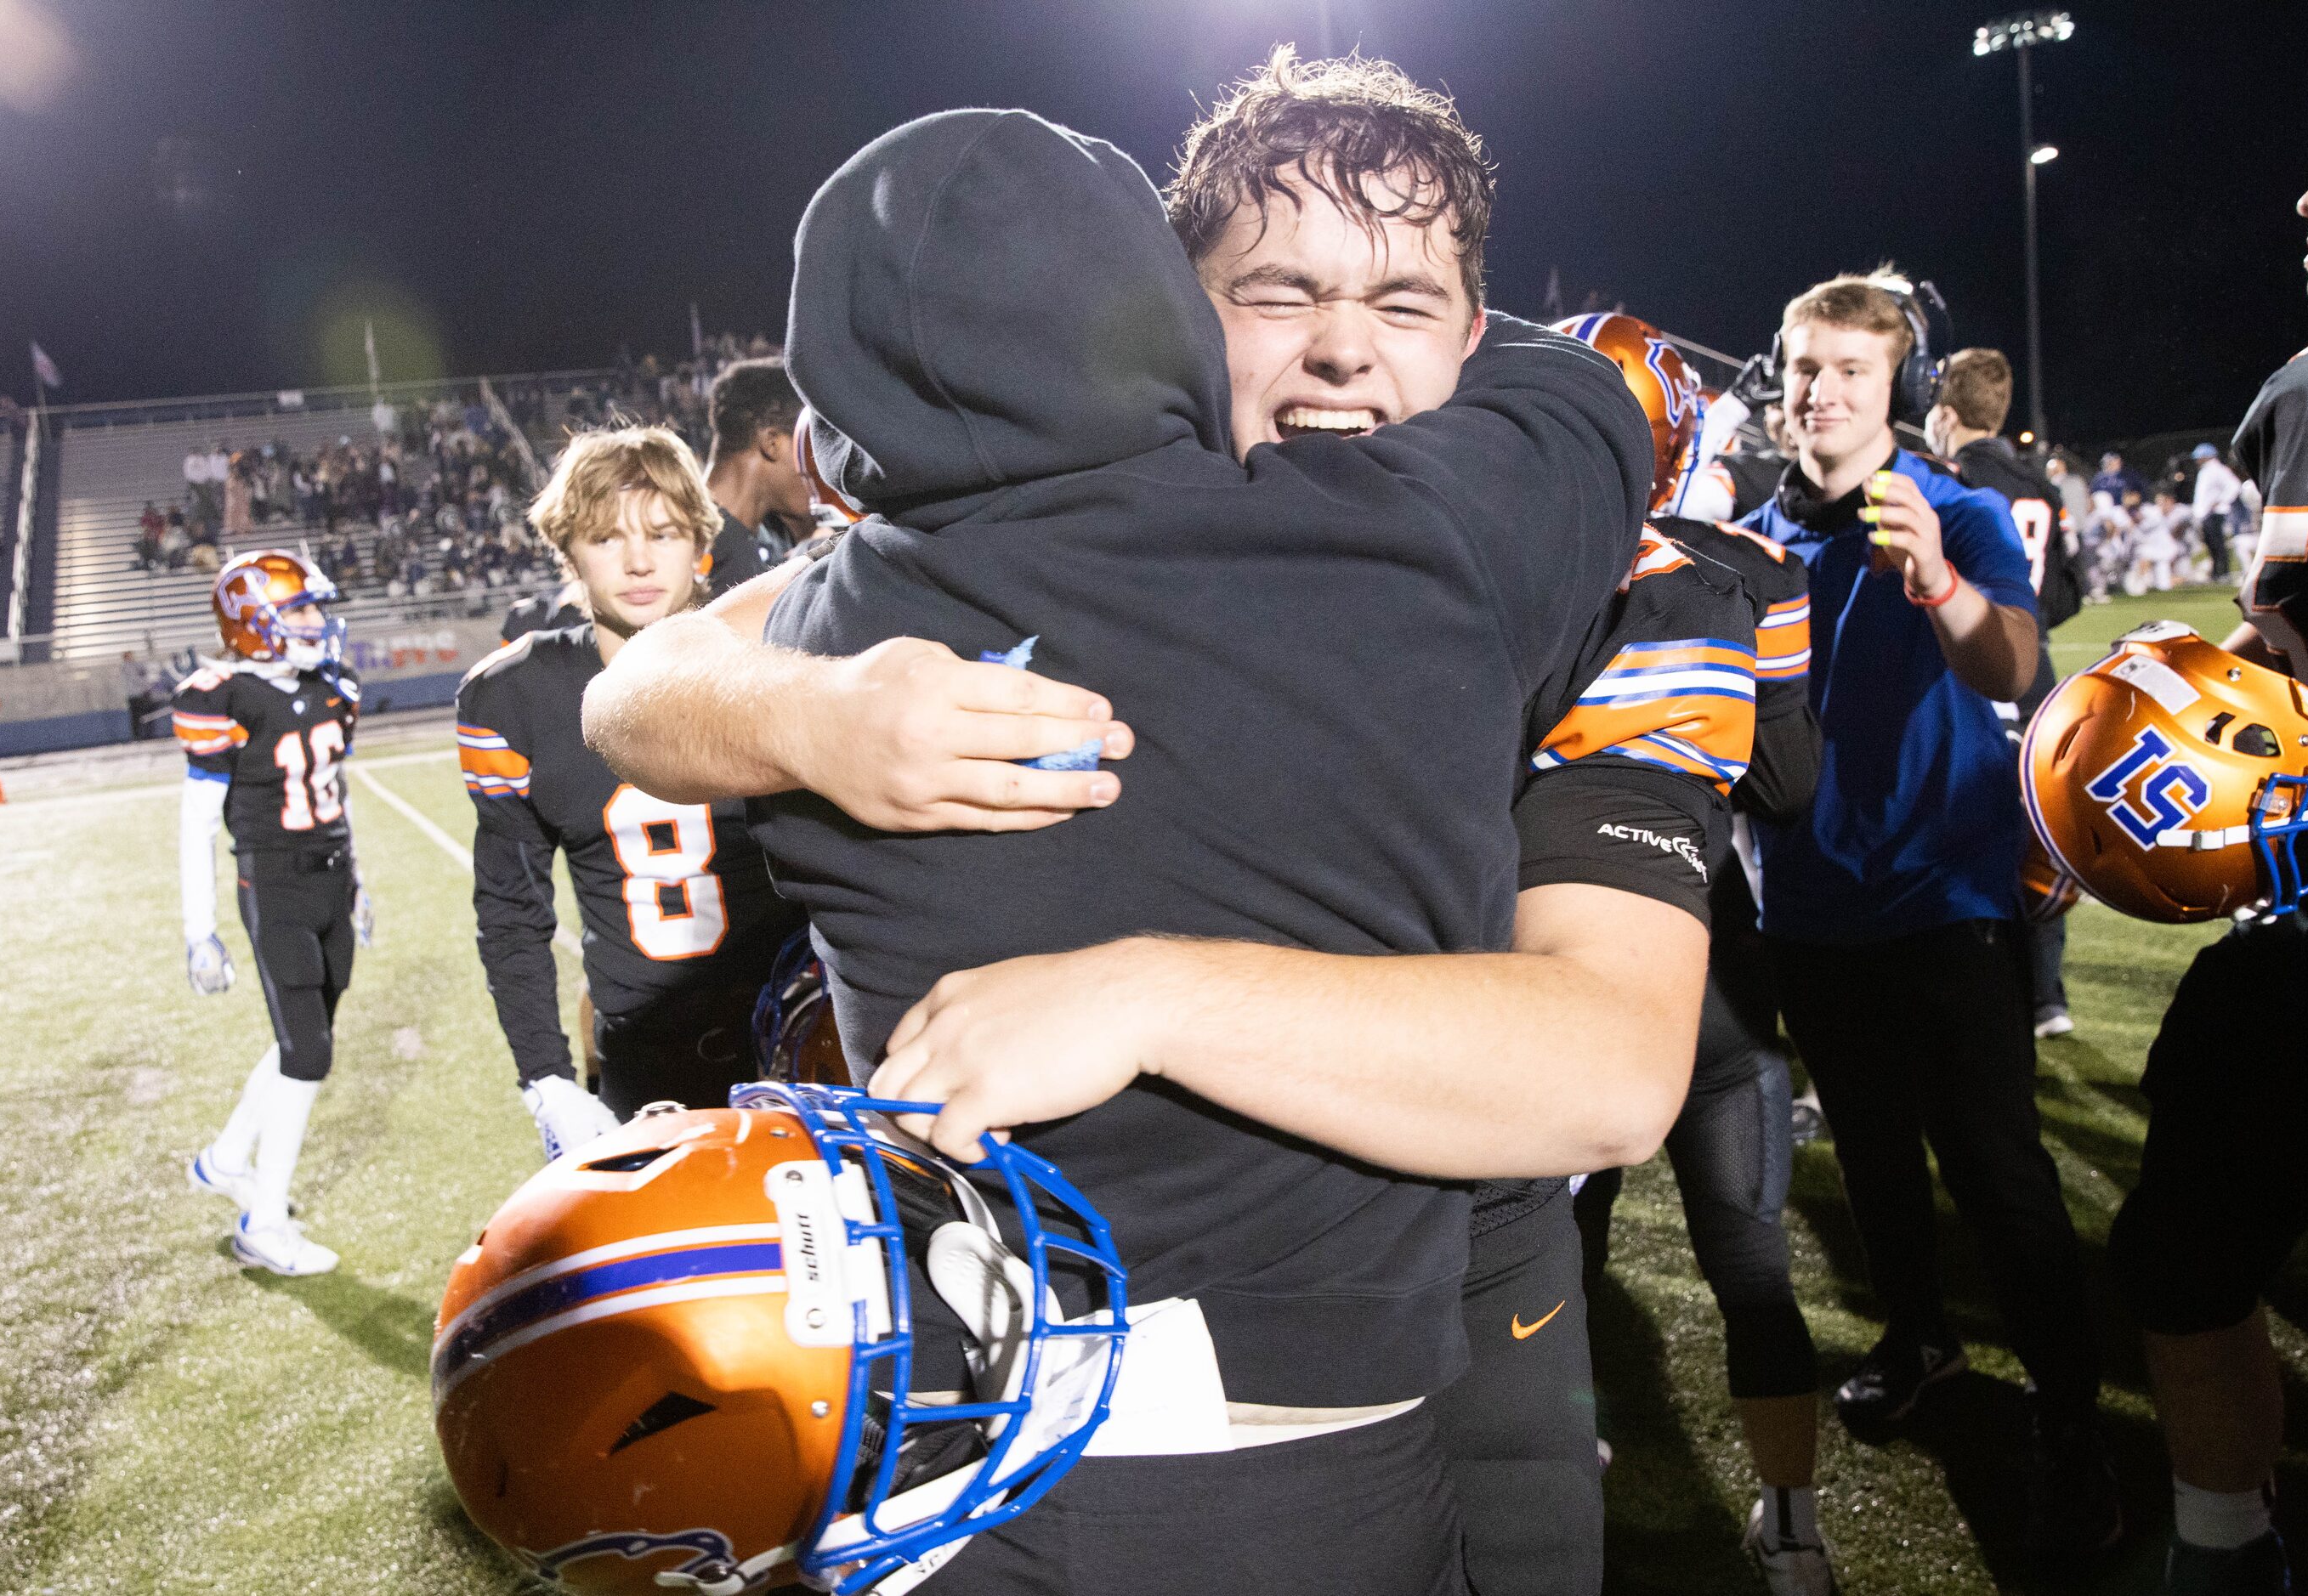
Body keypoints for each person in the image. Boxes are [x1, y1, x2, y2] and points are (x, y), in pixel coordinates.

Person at [587, 81, 1694, 1595]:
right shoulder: (1444, 530)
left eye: (1405, 300)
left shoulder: (1649, 593)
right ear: (1171, 315)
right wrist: (805, 713)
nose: (1341, 349)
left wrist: (1142, 987)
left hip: (1464, 1305)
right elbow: (645, 685)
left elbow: (1610, 1067)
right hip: (1200, 1451)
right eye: (1278, 291)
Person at [1739, 269, 2119, 1565]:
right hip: (1810, 900)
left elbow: (2016, 662)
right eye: (1801, 366)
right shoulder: (1754, 534)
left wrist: (1940, 583)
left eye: (1847, 370)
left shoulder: (1951, 508)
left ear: (1895, 384)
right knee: (1872, 1155)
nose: (1818, 392)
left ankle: (2072, 1414)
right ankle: (1919, 1339)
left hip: (1947, 895)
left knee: (2001, 1171)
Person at [2100, 104, 2308, 1596]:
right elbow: (2298, 668)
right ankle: (2224, 1548)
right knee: (2180, 1250)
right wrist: (2199, 693)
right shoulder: (2301, 397)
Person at [1555, 314, 1834, 1596]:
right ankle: (1792, 1531)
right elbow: (1784, 781)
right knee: (1752, 1266)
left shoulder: (1510, 570)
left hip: (1553, 973)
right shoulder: (1758, 573)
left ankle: (1543, 1508)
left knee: (1543, 1272)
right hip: (1714, 965)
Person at [458, 427, 799, 1153]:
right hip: (647, 1064)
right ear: (567, 551)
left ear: (698, 543)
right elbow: (512, 911)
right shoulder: (517, 697)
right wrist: (546, 1078)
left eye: (663, 532)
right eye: (607, 537)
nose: (639, 561)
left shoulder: (772, 657)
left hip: (798, 1030)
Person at [177, 550, 371, 1277]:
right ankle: (263, 1222)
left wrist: (360, 880)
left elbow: (336, 791)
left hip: (329, 880)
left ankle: (227, 1158)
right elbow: (197, 821)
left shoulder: (331, 687)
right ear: (253, 623)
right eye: (297, 611)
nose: (315, 623)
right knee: (308, 1053)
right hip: (276, 885)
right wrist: (200, 932)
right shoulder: (223, 696)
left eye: (313, 608)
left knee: (306, 1034)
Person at [1925, 346, 2081, 1037]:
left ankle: (1988, 998)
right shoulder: (2039, 484)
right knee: (2038, 835)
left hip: (1975, 673)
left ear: (1945, 412)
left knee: (1976, 839)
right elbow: (2067, 591)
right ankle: (2047, 996)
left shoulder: (1950, 480)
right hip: (2037, 670)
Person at [701, 357, 815, 586]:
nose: (817, 466)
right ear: (771, 443)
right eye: (809, 447)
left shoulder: (740, 540)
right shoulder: (702, 552)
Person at [2190, 440, 2245, 580]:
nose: (2197, 459)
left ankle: (2223, 572)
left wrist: (2221, 501)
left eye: (2199, 456)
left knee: (2218, 543)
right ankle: (2216, 572)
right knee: (2211, 544)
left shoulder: (2218, 469)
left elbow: (2235, 485)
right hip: (2206, 513)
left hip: (2216, 513)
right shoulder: (2206, 470)